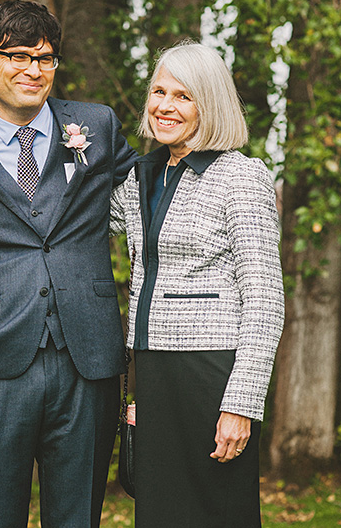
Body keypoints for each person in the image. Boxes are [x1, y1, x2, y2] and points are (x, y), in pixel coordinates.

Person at [0, 0, 137, 528]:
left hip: (87, 362)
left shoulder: (96, 126)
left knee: (77, 519)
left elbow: (153, 187)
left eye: (46, 58)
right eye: (17, 56)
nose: (33, 71)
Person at [110, 41, 285, 528]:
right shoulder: (142, 175)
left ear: (209, 103)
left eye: (184, 96)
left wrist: (241, 405)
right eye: (159, 91)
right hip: (150, 370)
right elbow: (78, 225)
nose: (165, 105)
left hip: (210, 373)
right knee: (160, 512)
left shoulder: (242, 176)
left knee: (215, 513)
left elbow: (265, 299)